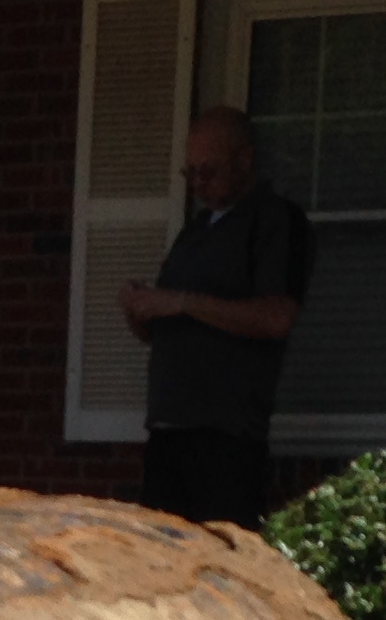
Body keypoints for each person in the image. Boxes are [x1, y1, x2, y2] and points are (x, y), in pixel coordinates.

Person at [122, 106, 310, 529]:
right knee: (159, 553)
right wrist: (140, 308)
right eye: (190, 174)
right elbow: (162, 333)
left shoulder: (274, 220)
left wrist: (183, 302)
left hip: (225, 434)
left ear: (244, 159)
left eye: (209, 171)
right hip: (168, 430)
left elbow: (275, 318)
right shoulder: (195, 230)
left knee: (218, 553)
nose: (199, 185)